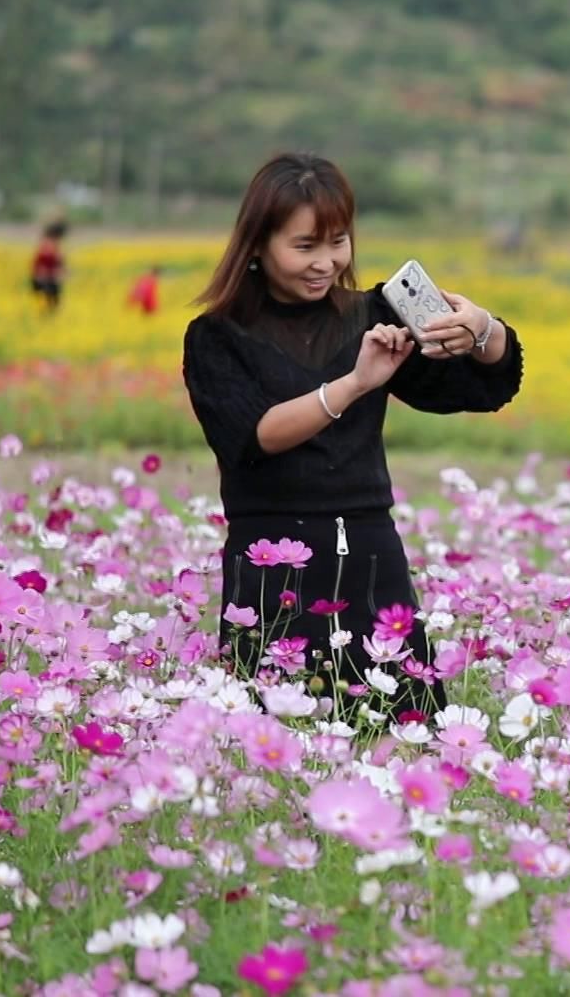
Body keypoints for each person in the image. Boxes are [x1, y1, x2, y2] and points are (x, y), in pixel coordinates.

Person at [181, 153, 523, 722]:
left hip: (370, 553)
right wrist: (355, 383)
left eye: (337, 242)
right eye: (305, 246)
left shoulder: (373, 315)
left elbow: (477, 389)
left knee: (401, 729)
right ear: (258, 244)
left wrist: (483, 329)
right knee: (275, 739)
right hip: (272, 562)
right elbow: (253, 436)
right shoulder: (216, 337)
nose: (325, 262)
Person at [31, 221, 67, 312]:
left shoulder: (55, 251)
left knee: (53, 305)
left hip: (51, 281)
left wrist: (61, 272)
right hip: (42, 281)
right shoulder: (45, 251)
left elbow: (60, 266)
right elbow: (38, 268)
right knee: (43, 305)